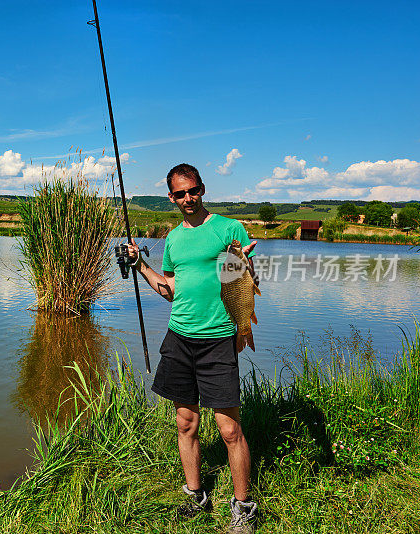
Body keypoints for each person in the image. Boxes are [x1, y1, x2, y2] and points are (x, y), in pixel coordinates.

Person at [127, 163, 259, 533]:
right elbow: (170, 288)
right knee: (186, 423)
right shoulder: (173, 239)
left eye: (193, 190)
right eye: (179, 194)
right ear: (171, 197)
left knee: (229, 429)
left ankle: (243, 508)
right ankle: (197, 496)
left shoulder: (228, 228)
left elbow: (245, 280)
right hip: (180, 337)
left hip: (218, 338)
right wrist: (141, 265)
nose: (188, 198)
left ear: (202, 189)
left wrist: (246, 265)